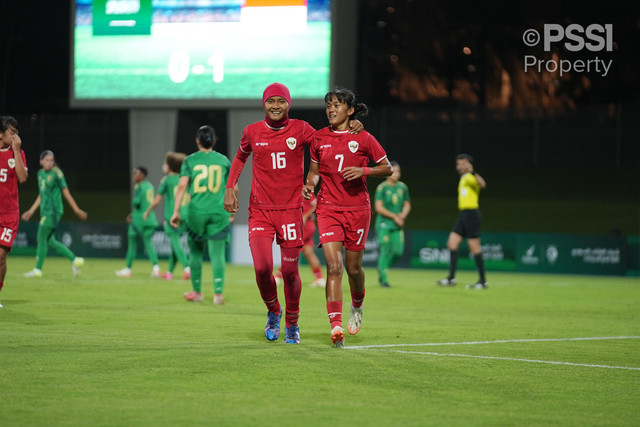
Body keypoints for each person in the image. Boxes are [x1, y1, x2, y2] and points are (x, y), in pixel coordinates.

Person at [223, 82, 363, 345]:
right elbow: (241, 157)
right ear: (263, 103)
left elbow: (326, 140)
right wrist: (230, 186)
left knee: (289, 272)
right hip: (260, 211)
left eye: (281, 101)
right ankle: (274, 311)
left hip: (290, 212)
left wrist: (352, 127)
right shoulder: (252, 131)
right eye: (271, 101)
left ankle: (292, 323)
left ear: (289, 104)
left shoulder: (300, 129)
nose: (276, 106)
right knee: (263, 268)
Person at [303, 88, 392, 347]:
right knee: (334, 266)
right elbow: (314, 173)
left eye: (337, 105)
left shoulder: (363, 137)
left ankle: (357, 306)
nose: (331, 109)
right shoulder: (319, 139)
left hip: (357, 210)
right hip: (328, 209)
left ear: (350, 110)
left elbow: (387, 168)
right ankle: (335, 326)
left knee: (353, 269)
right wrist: (309, 185)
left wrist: (363, 170)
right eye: (328, 105)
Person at [171, 125, 232, 305]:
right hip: (218, 211)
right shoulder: (223, 161)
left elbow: (182, 186)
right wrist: (233, 208)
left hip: (196, 212)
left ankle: (197, 292)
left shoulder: (190, 161)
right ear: (214, 141)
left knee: (196, 252)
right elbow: (232, 186)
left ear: (197, 141)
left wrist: (176, 211)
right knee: (218, 253)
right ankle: (218, 294)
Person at [21, 150, 88, 278]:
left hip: (53, 211)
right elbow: (42, 195)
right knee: (50, 241)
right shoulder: (40, 174)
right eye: (47, 160)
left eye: (51, 160)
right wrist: (31, 210)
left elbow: (66, 192)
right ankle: (75, 260)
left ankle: (37, 270)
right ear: (41, 161)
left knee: (41, 237)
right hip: (44, 210)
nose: (50, 163)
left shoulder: (57, 173)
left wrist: (77, 210)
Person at [436, 153, 488, 289]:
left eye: (462, 163)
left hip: (472, 214)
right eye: (458, 163)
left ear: (469, 164)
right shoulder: (463, 178)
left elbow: (483, 185)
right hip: (463, 215)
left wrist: (473, 171)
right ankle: (451, 279)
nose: (459, 166)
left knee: (475, 248)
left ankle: (483, 281)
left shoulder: (471, 177)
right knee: (452, 244)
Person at [143, 152, 191, 281]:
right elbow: (189, 196)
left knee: (175, 242)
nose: (163, 165)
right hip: (186, 214)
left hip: (172, 215)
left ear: (170, 166)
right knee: (176, 245)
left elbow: (157, 200)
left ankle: (187, 268)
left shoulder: (166, 180)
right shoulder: (184, 178)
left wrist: (147, 211)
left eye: (165, 163)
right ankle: (169, 271)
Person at [0, 116, 28, 308]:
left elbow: (22, 177)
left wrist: (16, 151)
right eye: (12, 132)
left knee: (1, 256)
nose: (15, 135)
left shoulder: (17, 153)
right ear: (0, 134)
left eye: (16, 132)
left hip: (9, 214)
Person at [115, 166, 161, 278]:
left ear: (143, 175)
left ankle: (128, 269)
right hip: (150, 218)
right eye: (134, 173)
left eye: (137, 173)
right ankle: (156, 269)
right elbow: (146, 203)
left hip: (138, 220)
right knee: (149, 245)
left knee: (132, 245)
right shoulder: (150, 186)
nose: (134, 175)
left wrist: (133, 207)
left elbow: (137, 202)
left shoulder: (138, 186)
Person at [273, 193, 325, 288]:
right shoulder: (292, 191)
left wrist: (305, 216)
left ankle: (278, 276)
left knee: (291, 250)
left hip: (304, 226)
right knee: (308, 252)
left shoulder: (304, 190)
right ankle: (320, 278)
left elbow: (317, 204)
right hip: (302, 225)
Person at [374, 160, 411, 288]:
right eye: (393, 171)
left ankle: (382, 267)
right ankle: (384, 279)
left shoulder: (403, 187)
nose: (396, 174)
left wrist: (402, 215)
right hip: (384, 224)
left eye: (398, 171)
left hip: (397, 224)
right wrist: (395, 216)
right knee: (385, 250)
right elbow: (378, 207)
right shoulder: (382, 188)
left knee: (397, 252)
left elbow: (407, 204)